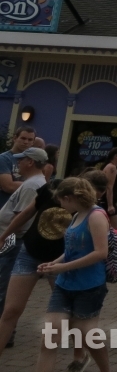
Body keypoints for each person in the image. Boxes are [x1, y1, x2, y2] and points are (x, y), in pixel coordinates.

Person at [34, 177, 111, 372]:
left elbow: (101, 252)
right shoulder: (77, 215)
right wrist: (55, 263)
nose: (59, 205)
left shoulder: (96, 215)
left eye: (60, 200)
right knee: (50, 337)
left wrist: (63, 268)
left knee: (87, 335)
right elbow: (72, 250)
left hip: (89, 287)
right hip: (65, 285)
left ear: (68, 198)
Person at [0, 151, 72, 357]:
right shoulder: (46, 193)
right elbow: (25, 214)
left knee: (64, 312)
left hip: (59, 260)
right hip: (29, 253)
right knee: (11, 310)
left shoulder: (83, 208)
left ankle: (78, 353)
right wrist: (4, 235)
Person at [0, 146, 48, 351]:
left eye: (21, 160)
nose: (18, 163)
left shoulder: (31, 186)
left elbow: (21, 218)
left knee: (4, 285)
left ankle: (6, 332)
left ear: (30, 162)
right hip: (12, 239)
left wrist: (4, 238)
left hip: (14, 240)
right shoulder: (31, 183)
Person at [0, 126, 36, 209]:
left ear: (33, 142)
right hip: (4, 206)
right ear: (15, 138)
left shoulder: (33, 161)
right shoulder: (4, 158)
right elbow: (8, 186)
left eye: (30, 140)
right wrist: (32, 186)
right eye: (23, 138)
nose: (26, 142)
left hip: (21, 208)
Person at [101, 147, 117, 230]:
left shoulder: (112, 167)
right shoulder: (111, 168)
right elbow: (109, 187)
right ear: (116, 156)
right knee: (114, 229)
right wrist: (110, 205)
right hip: (108, 202)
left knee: (111, 228)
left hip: (111, 201)